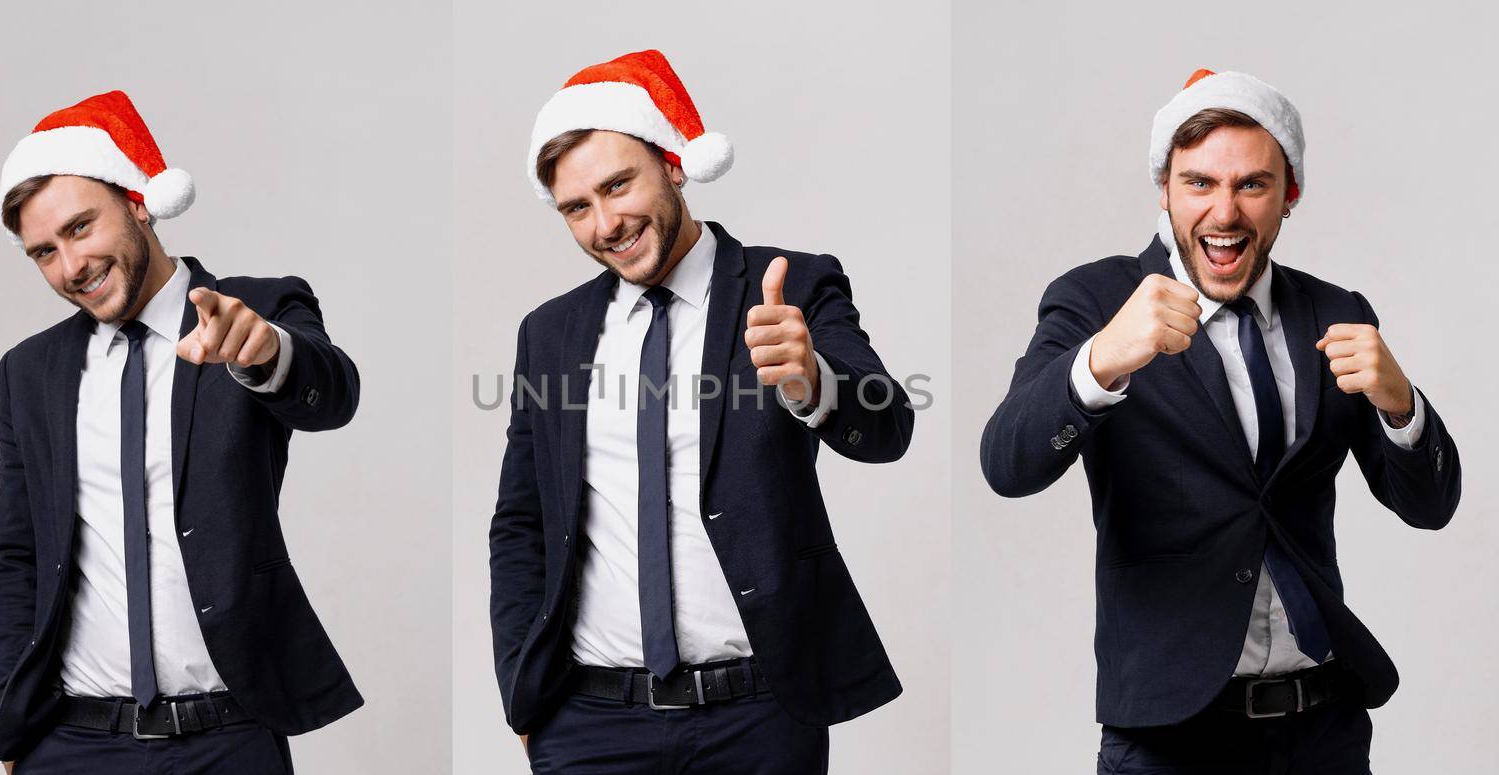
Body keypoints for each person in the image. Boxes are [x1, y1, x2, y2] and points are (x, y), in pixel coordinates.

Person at [981, 69, 1462, 774]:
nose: (1225, 212)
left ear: (1288, 195)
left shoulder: (1337, 313)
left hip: (1322, 726)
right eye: (1200, 183)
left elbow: (1430, 506)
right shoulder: (1095, 299)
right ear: (1165, 189)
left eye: (1252, 185)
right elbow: (1008, 462)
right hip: (1171, 736)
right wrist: (1100, 361)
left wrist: (1402, 404)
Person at [490, 50, 915, 773]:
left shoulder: (793, 285)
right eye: (576, 207)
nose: (605, 224)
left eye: (618, 185)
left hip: (759, 718)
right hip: (590, 722)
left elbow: (887, 424)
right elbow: (522, 518)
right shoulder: (549, 332)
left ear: (675, 165)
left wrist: (812, 381)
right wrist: (522, 692)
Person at [0, 91, 363, 774]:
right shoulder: (29, 372)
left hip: (228, 737)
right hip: (71, 741)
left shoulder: (257, 306)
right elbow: (16, 553)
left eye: (80, 228)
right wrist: (10, 726)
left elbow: (331, 393)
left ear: (137, 201)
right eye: (44, 251)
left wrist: (265, 353)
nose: (71, 266)